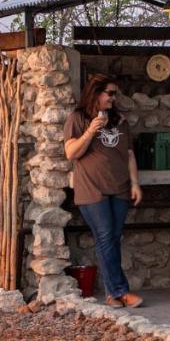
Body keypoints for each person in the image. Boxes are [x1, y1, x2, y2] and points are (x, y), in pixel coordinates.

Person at [63, 75, 145, 308]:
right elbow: (71, 153)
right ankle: (120, 291)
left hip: (119, 187)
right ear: (96, 93)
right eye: (109, 93)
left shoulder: (119, 120)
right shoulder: (77, 118)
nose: (113, 98)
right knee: (106, 237)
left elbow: (129, 154)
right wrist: (90, 131)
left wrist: (135, 183)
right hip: (92, 188)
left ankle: (112, 294)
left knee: (112, 239)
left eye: (115, 94)